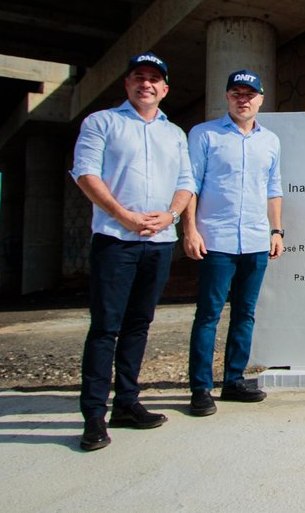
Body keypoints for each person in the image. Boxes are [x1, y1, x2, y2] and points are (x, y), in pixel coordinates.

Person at [70, 52, 194, 451]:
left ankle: (126, 403)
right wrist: (123, 215)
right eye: (139, 77)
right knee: (106, 327)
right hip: (115, 240)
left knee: (139, 325)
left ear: (165, 88)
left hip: (158, 242)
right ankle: (93, 416)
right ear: (127, 84)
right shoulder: (102, 122)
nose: (147, 84)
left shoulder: (174, 133)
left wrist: (171, 215)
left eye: (155, 79)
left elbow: (187, 182)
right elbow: (85, 174)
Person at [182, 70, 283, 417]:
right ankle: (200, 388)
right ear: (227, 97)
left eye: (250, 94)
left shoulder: (270, 141)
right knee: (208, 315)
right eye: (237, 93)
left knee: (245, 314)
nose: (244, 99)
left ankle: (234, 380)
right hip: (216, 240)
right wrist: (190, 230)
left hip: (256, 239)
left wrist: (277, 230)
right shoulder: (204, 134)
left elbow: (273, 188)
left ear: (261, 99)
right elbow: (189, 185)